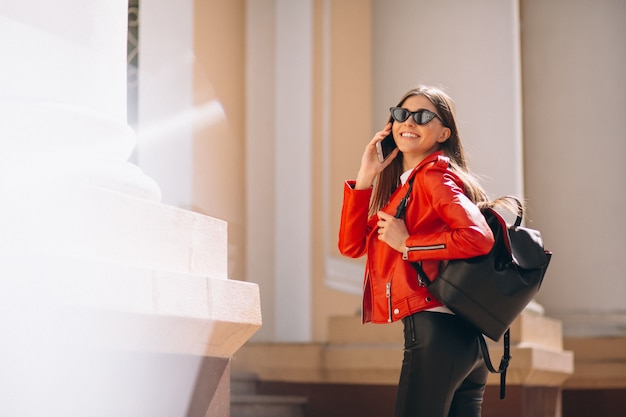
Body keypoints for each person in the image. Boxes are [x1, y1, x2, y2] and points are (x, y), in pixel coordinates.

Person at [338, 85, 497, 417]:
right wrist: (365, 178)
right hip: (465, 340)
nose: (408, 122)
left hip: (436, 334)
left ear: (443, 132)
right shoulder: (405, 190)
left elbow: (478, 238)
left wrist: (407, 245)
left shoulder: (433, 179)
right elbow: (352, 247)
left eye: (422, 116)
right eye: (401, 114)